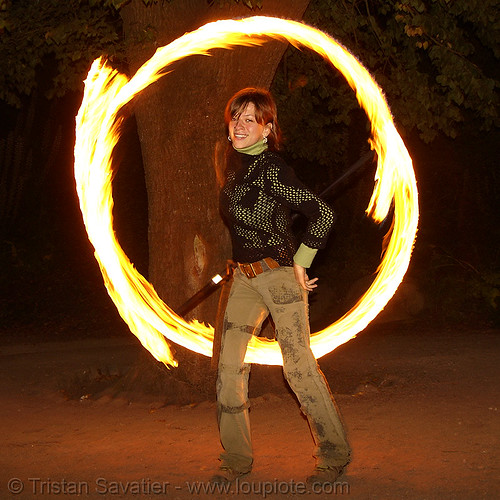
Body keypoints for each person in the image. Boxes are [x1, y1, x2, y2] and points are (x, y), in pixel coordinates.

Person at [212, 88, 351, 485]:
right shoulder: (236, 169)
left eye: (250, 119)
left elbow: (322, 213)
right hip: (244, 278)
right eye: (235, 116)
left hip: (279, 276)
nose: (239, 124)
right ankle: (236, 458)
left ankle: (333, 454)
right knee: (227, 368)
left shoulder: (272, 168)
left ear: (267, 129)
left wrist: (302, 261)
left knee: (298, 367)